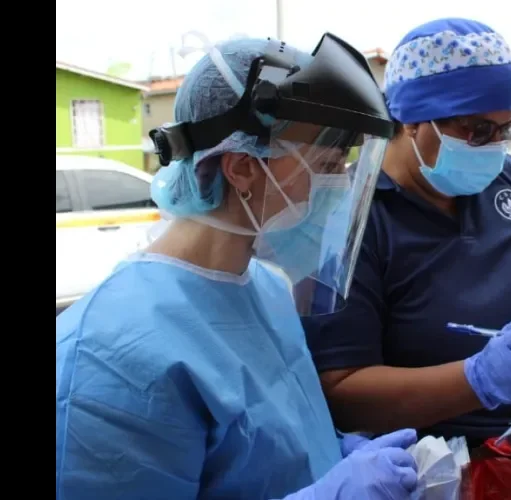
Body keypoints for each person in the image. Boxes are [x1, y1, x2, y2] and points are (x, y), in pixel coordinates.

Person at [56, 35, 421, 500]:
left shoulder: (266, 288)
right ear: (242, 168)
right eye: (327, 165)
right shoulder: (106, 356)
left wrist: (330, 453)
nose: (339, 188)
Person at [302, 18, 511, 498]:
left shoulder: (507, 179)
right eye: (478, 130)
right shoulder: (351, 217)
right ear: (412, 119)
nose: (494, 146)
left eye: (506, 128)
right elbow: (343, 391)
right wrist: (476, 380)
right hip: (442, 478)